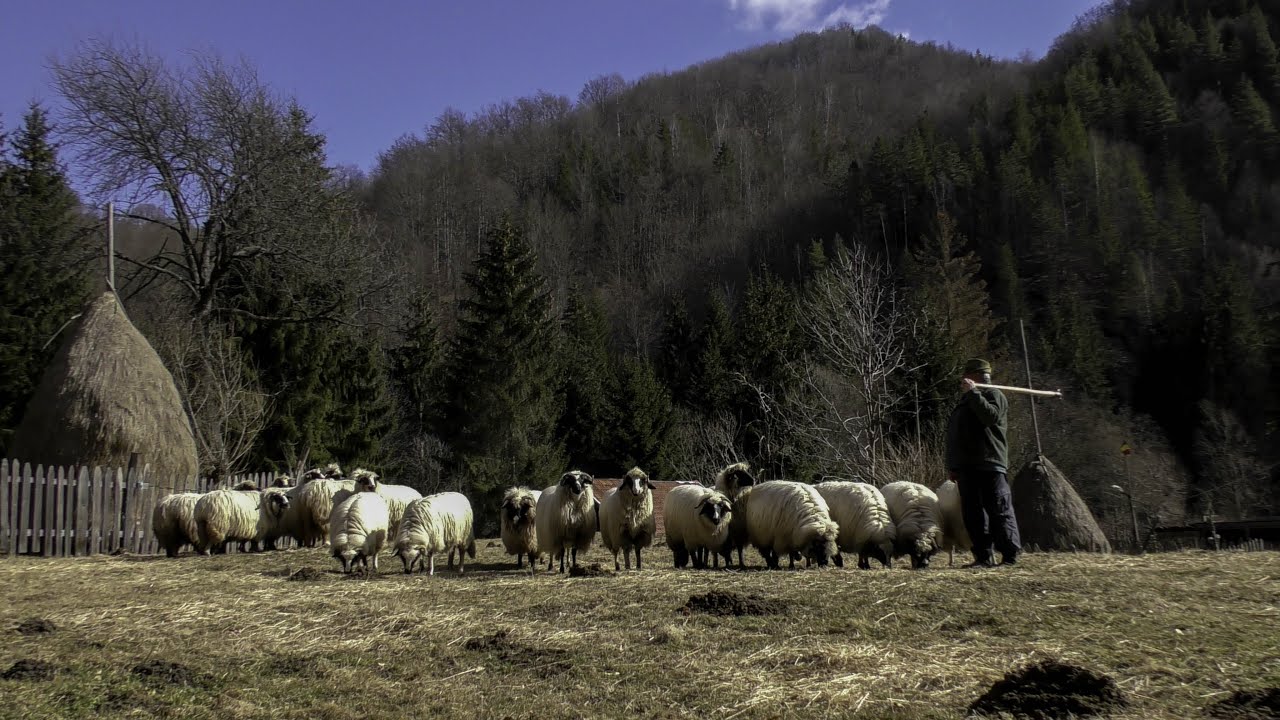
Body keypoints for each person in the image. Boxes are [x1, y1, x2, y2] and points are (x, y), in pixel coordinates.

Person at [944, 358, 1021, 568]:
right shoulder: (966, 401)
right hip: (967, 466)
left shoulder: (993, 395)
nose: (963, 380)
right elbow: (955, 435)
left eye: (967, 376)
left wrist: (973, 393)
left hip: (989, 462)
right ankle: (982, 556)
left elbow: (990, 417)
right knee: (973, 514)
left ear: (977, 376)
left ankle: (1009, 555)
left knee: (999, 508)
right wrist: (953, 465)